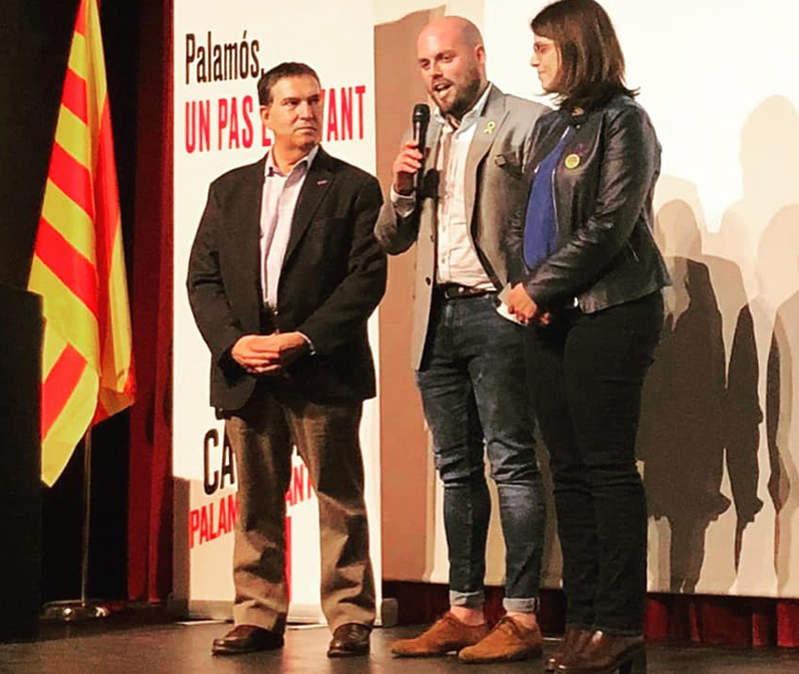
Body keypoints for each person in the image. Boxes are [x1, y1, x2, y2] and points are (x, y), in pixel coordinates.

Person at [186, 62, 386, 659]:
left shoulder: (353, 187)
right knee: (255, 501)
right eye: (293, 103)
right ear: (263, 114)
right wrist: (232, 342)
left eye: (315, 102)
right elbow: (203, 278)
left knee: (338, 497)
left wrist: (302, 339)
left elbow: (365, 279)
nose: (307, 114)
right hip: (247, 367)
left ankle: (349, 614)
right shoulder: (229, 189)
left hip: (319, 365)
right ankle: (257, 612)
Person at [375, 16, 549, 664]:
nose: (434, 74)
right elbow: (389, 238)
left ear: (477, 55)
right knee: (454, 470)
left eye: (444, 59)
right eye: (425, 65)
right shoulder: (420, 137)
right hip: (435, 319)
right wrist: (398, 189)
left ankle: (524, 616)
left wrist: (530, 293)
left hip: (496, 316)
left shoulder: (526, 122)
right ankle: (464, 609)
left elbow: (554, 220)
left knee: (510, 462)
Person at [505, 1, 670, 672]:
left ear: (577, 48)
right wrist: (529, 287)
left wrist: (540, 287)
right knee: (565, 470)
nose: (534, 59)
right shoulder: (549, 126)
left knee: (604, 468)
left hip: (610, 310)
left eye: (543, 47)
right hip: (549, 316)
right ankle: (580, 621)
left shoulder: (625, 124)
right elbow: (523, 221)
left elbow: (609, 225)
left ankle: (618, 623)